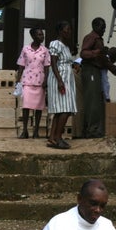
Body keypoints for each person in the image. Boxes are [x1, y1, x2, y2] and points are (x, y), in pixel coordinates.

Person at [79, 17, 116, 138]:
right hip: (91, 70)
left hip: (95, 71)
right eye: (102, 27)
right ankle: (91, 130)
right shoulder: (91, 37)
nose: (104, 29)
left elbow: (105, 62)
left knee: (95, 102)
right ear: (95, 26)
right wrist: (97, 52)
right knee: (92, 102)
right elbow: (83, 53)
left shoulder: (99, 39)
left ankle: (91, 129)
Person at [46, 21, 78, 150]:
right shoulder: (55, 44)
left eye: (70, 30)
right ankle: (58, 138)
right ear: (60, 31)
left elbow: (68, 62)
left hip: (67, 77)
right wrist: (59, 81)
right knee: (65, 108)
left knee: (61, 109)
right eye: (67, 30)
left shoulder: (66, 47)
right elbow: (53, 63)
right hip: (60, 77)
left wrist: (76, 63)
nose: (69, 32)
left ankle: (53, 137)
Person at [16, 28, 51, 139]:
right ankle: (25, 131)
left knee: (38, 108)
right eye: (40, 35)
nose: (42, 37)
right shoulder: (25, 49)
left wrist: (46, 80)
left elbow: (47, 67)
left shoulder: (45, 50)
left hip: (40, 82)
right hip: (27, 81)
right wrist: (18, 80)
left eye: (42, 34)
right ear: (33, 36)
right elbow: (21, 65)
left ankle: (36, 131)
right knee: (26, 106)